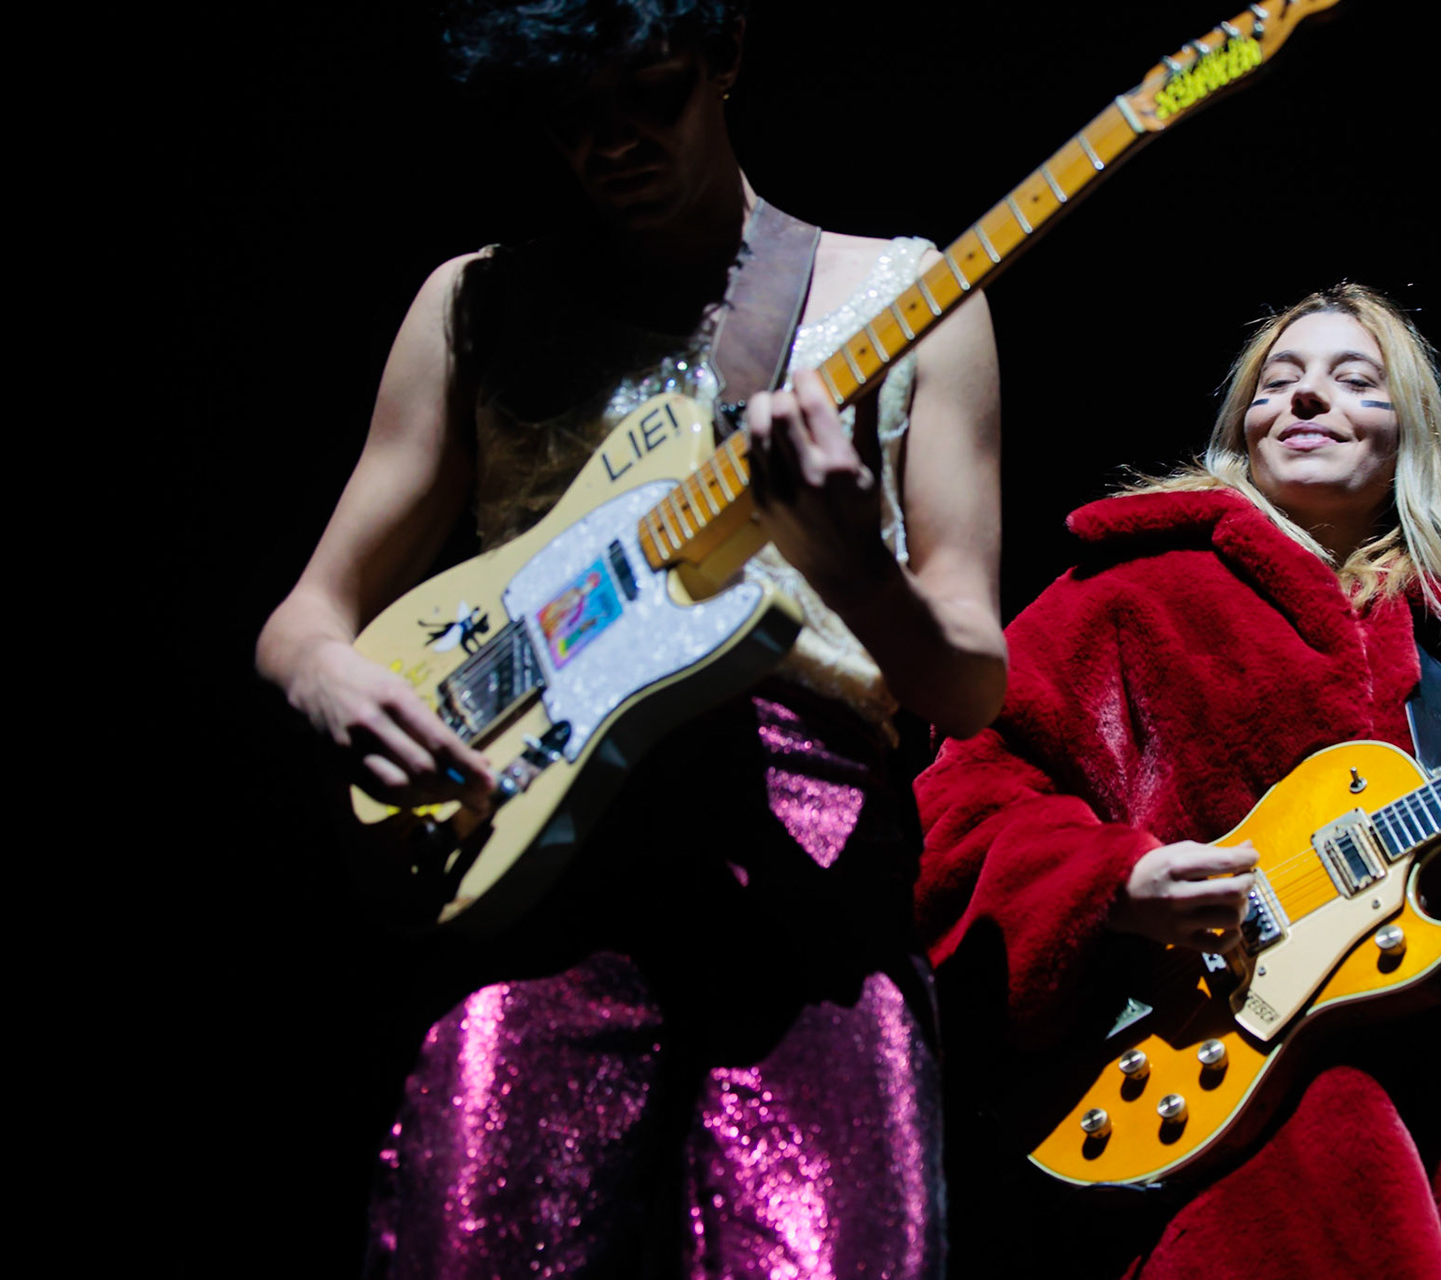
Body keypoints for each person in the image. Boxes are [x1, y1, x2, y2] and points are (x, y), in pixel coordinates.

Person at [254, 2, 1005, 1276]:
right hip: (538, 849)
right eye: (572, 117)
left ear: (725, 56)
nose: (612, 144)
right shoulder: (477, 302)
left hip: (808, 869)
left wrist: (852, 565)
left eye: (650, 94)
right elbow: (307, 614)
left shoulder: (909, 295)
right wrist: (332, 678)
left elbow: (973, 681)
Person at [913, 284, 1441, 1279]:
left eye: (1355, 381)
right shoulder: (1125, 594)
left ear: (1412, 436)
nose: (1309, 398)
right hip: (1214, 1159)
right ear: (1243, 426)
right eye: (1279, 383)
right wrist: (1112, 883)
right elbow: (958, 808)